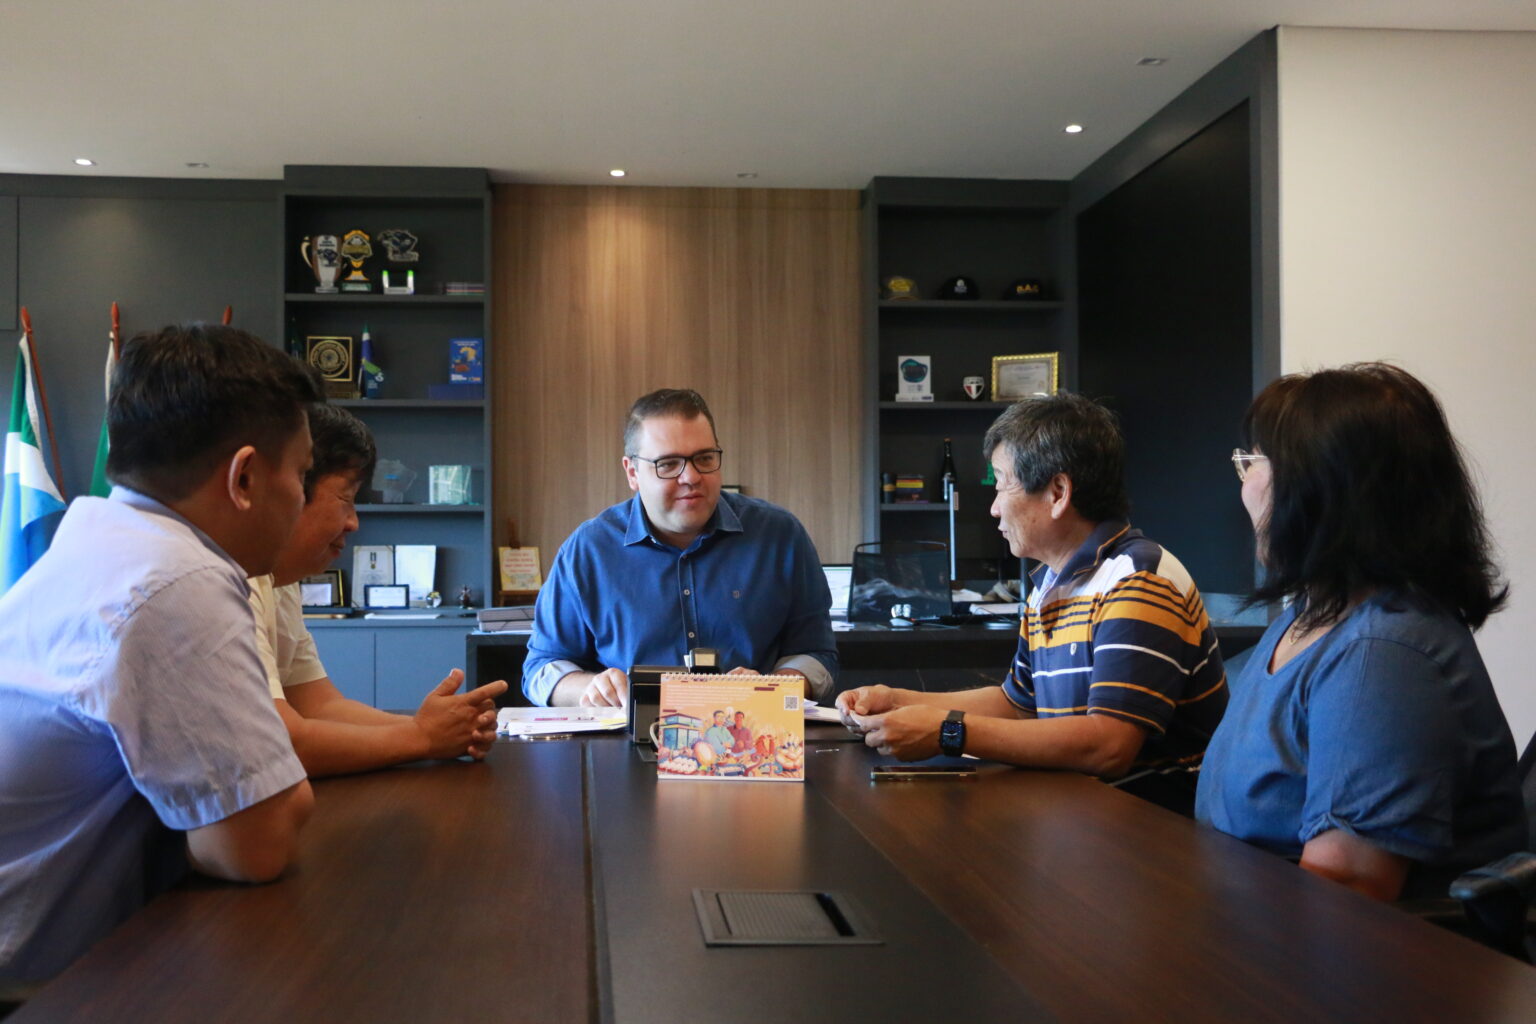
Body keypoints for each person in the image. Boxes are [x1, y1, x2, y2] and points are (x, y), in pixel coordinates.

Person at [0, 324, 320, 996]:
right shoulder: (176, 580)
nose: (303, 498)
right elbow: (255, 845)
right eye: (302, 473)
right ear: (244, 477)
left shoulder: (98, 536)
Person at [1196, 363, 1526, 901]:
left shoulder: (1383, 654)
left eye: (1254, 461)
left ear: (1320, 490)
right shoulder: (1308, 616)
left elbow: (1343, 892)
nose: (1246, 486)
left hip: (1311, 946)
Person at [838, 393, 1227, 813]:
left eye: (1002, 484)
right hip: (1080, 814)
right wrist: (897, 701)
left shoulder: (1138, 580)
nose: (993, 509)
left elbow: (1108, 746)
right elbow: (1020, 706)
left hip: (1156, 827)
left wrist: (948, 731)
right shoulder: (1050, 583)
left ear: (1058, 492)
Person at [523, 388, 837, 707]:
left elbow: (816, 654)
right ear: (632, 473)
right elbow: (541, 669)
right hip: (628, 732)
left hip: (752, 728)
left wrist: (772, 688)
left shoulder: (780, 536)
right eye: (669, 464)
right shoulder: (588, 550)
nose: (691, 477)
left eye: (704, 458)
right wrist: (592, 688)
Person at [249, 403, 506, 777]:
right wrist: (422, 738)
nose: (354, 523)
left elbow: (320, 706)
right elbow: (281, 744)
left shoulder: (281, 581)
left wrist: (442, 730)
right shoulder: (238, 578)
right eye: (346, 499)